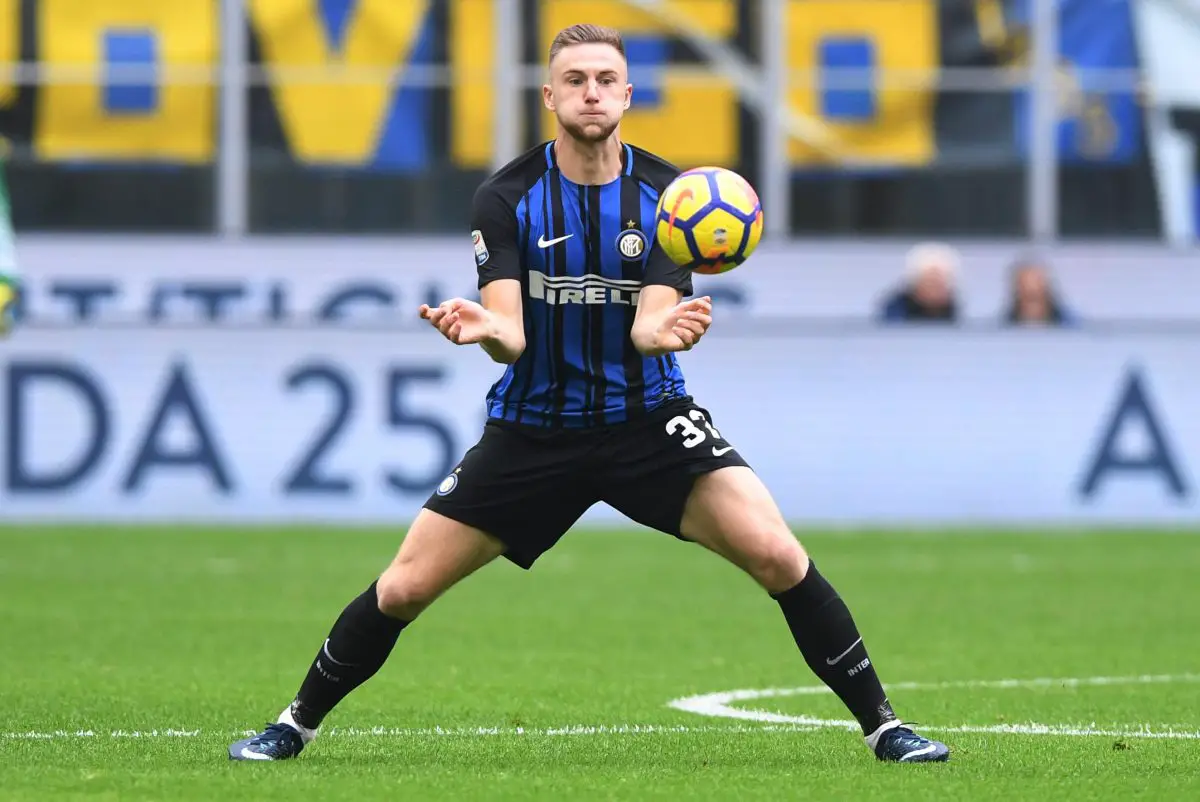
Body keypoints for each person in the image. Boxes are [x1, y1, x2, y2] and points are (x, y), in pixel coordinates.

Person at [229, 23, 949, 765]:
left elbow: (647, 328)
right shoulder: (506, 197)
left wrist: (666, 331)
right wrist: (484, 328)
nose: (592, 93)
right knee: (404, 587)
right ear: (550, 96)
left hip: (648, 421)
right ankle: (293, 724)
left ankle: (885, 728)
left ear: (628, 94)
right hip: (534, 428)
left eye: (606, 79)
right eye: (575, 80)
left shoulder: (671, 197)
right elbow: (511, 336)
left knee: (777, 553)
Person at [878, 242, 960, 323]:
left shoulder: (954, 311)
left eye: (939, 284)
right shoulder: (895, 315)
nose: (934, 290)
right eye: (930, 282)